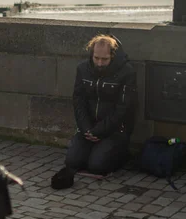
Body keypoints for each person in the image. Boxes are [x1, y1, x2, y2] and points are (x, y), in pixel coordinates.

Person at [51, 34, 137, 189]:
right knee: (72, 161)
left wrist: (100, 130)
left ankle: (121, 154)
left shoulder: (127, 72)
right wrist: (86, 128)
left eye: (104, 59)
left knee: (97, 166)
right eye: (96, 58)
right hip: (88, 127)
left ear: (113, 56)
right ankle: (92, 149)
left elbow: (123, 108)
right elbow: (78, 100)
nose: (99, 63)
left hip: (114, 130)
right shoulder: (83, 68)